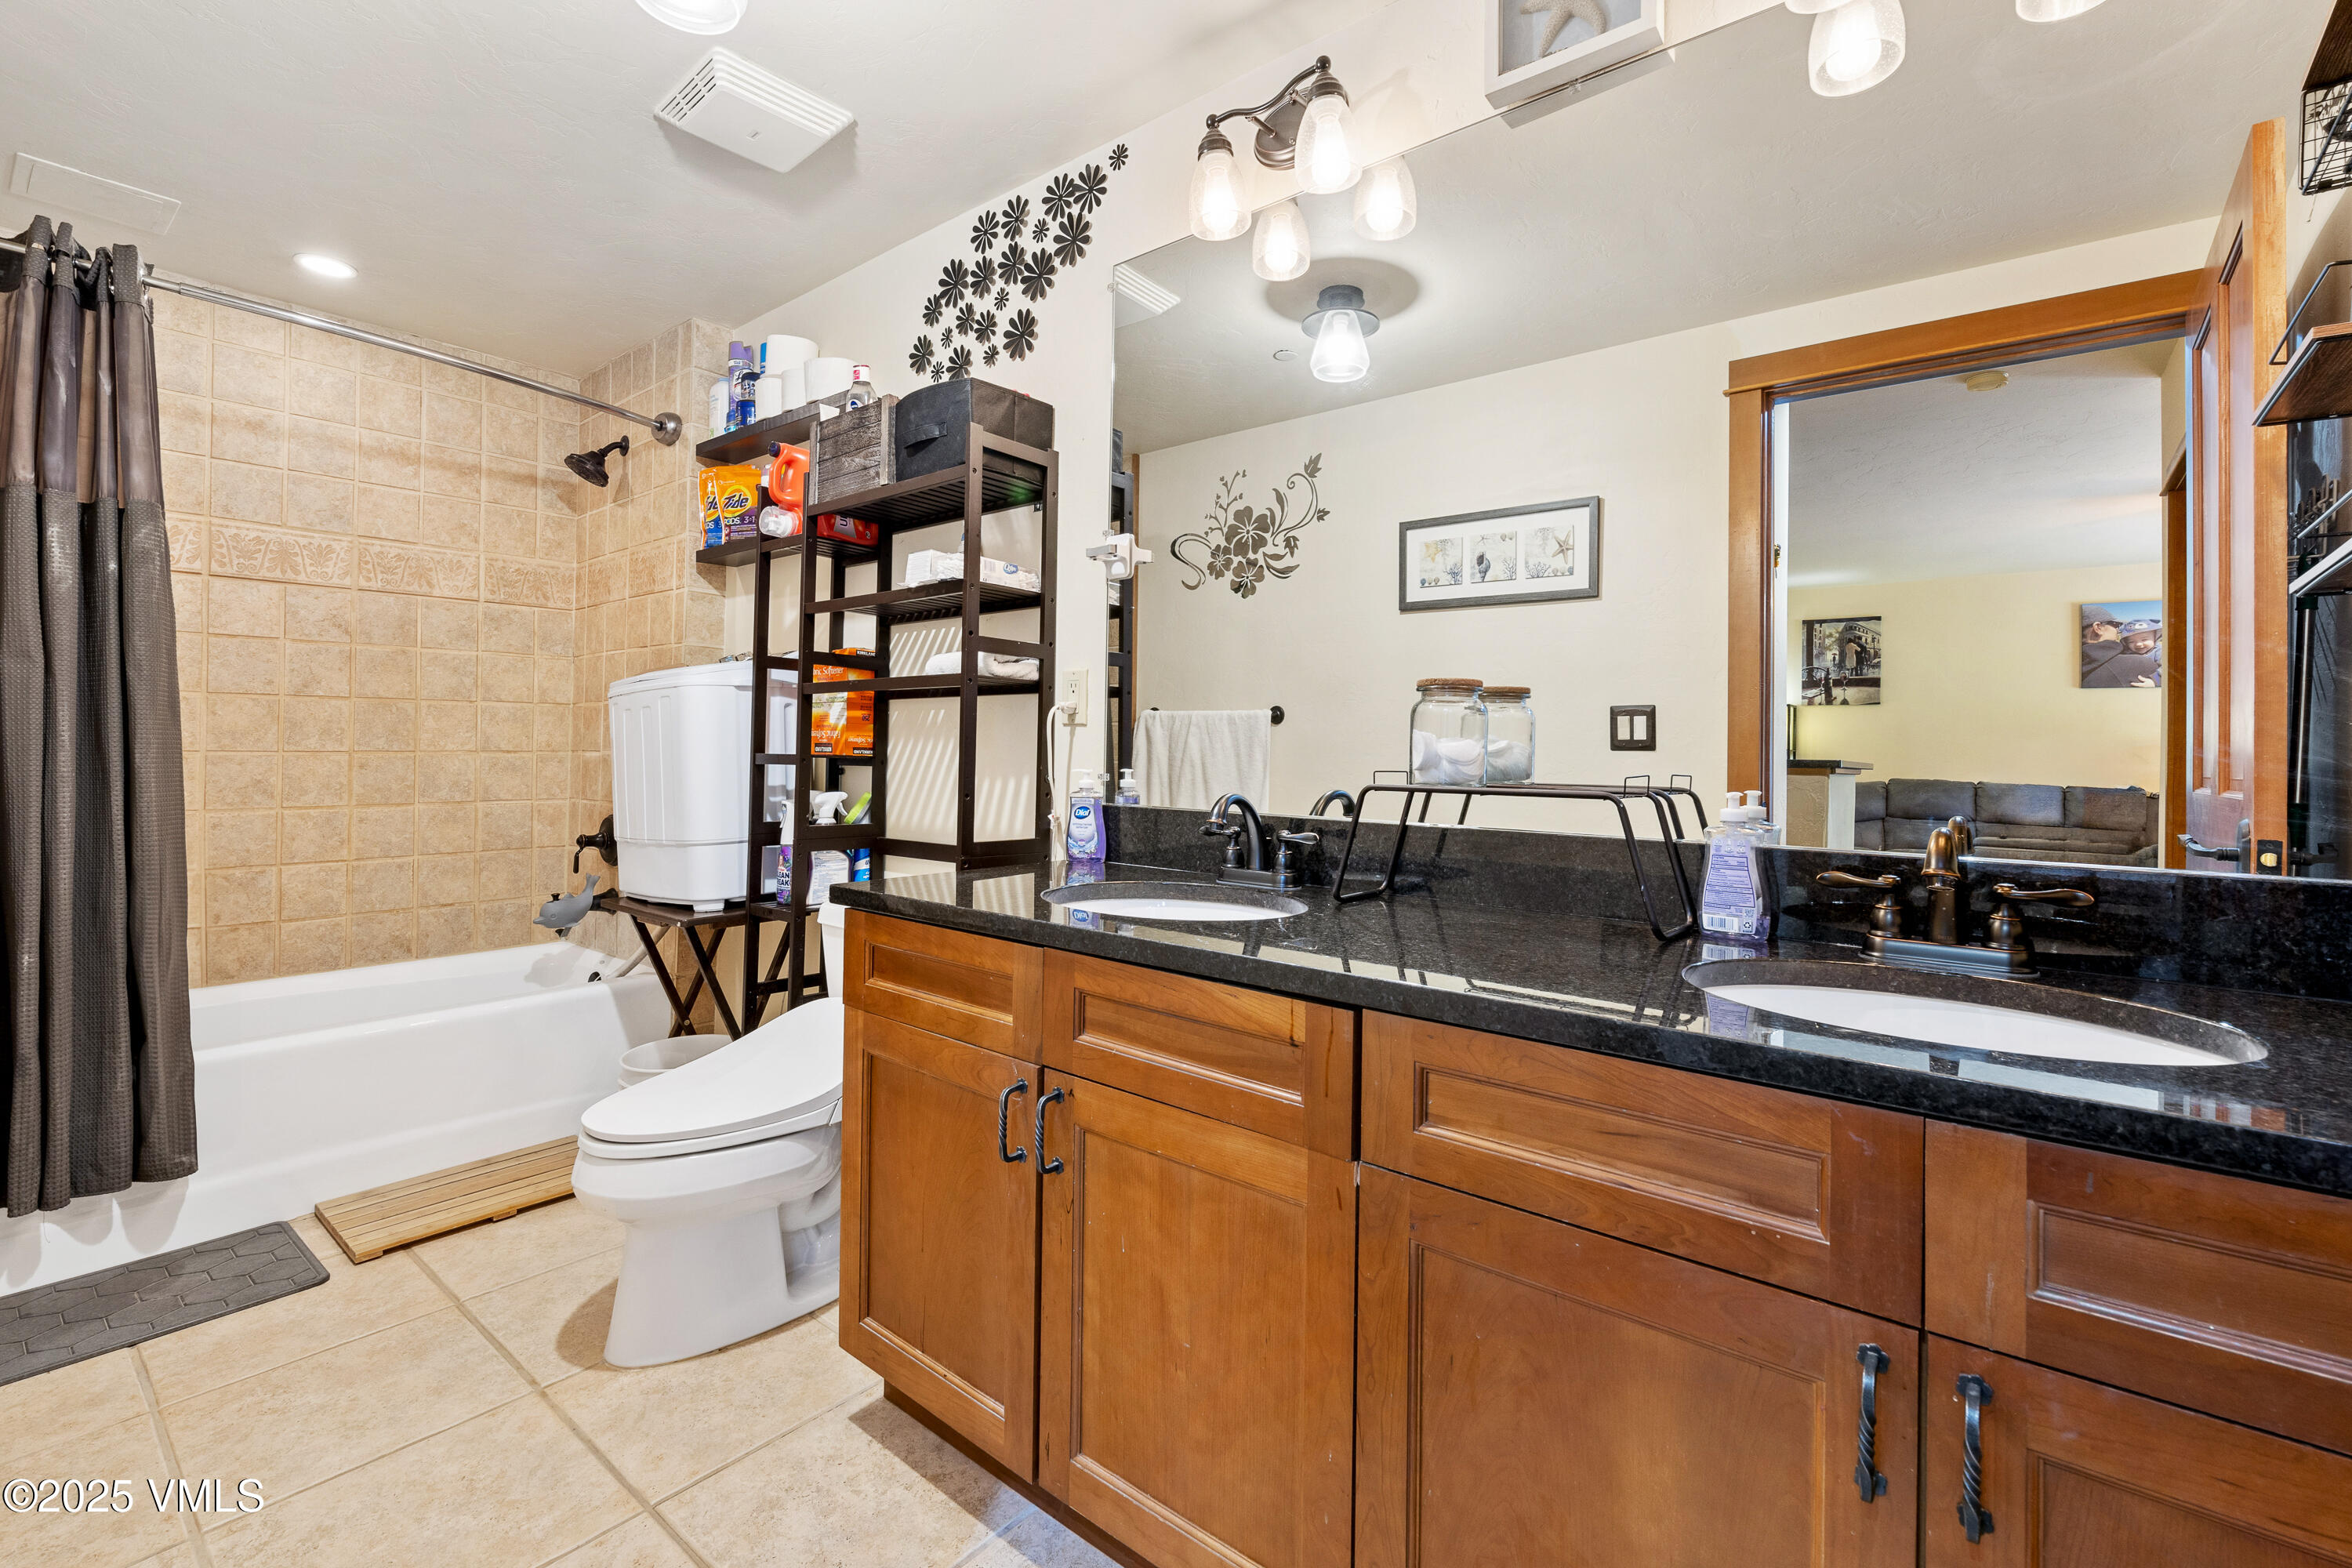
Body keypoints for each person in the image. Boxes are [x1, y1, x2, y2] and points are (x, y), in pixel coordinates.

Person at [2086, 616, 2161, 688]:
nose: (2138, 644)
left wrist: (2155, 681)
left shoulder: (2159, 652)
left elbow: (2168, 670)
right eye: (2131, 642)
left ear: (2155, 638)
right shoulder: (2127, 652)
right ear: (2126, 643)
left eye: (2144, 639)